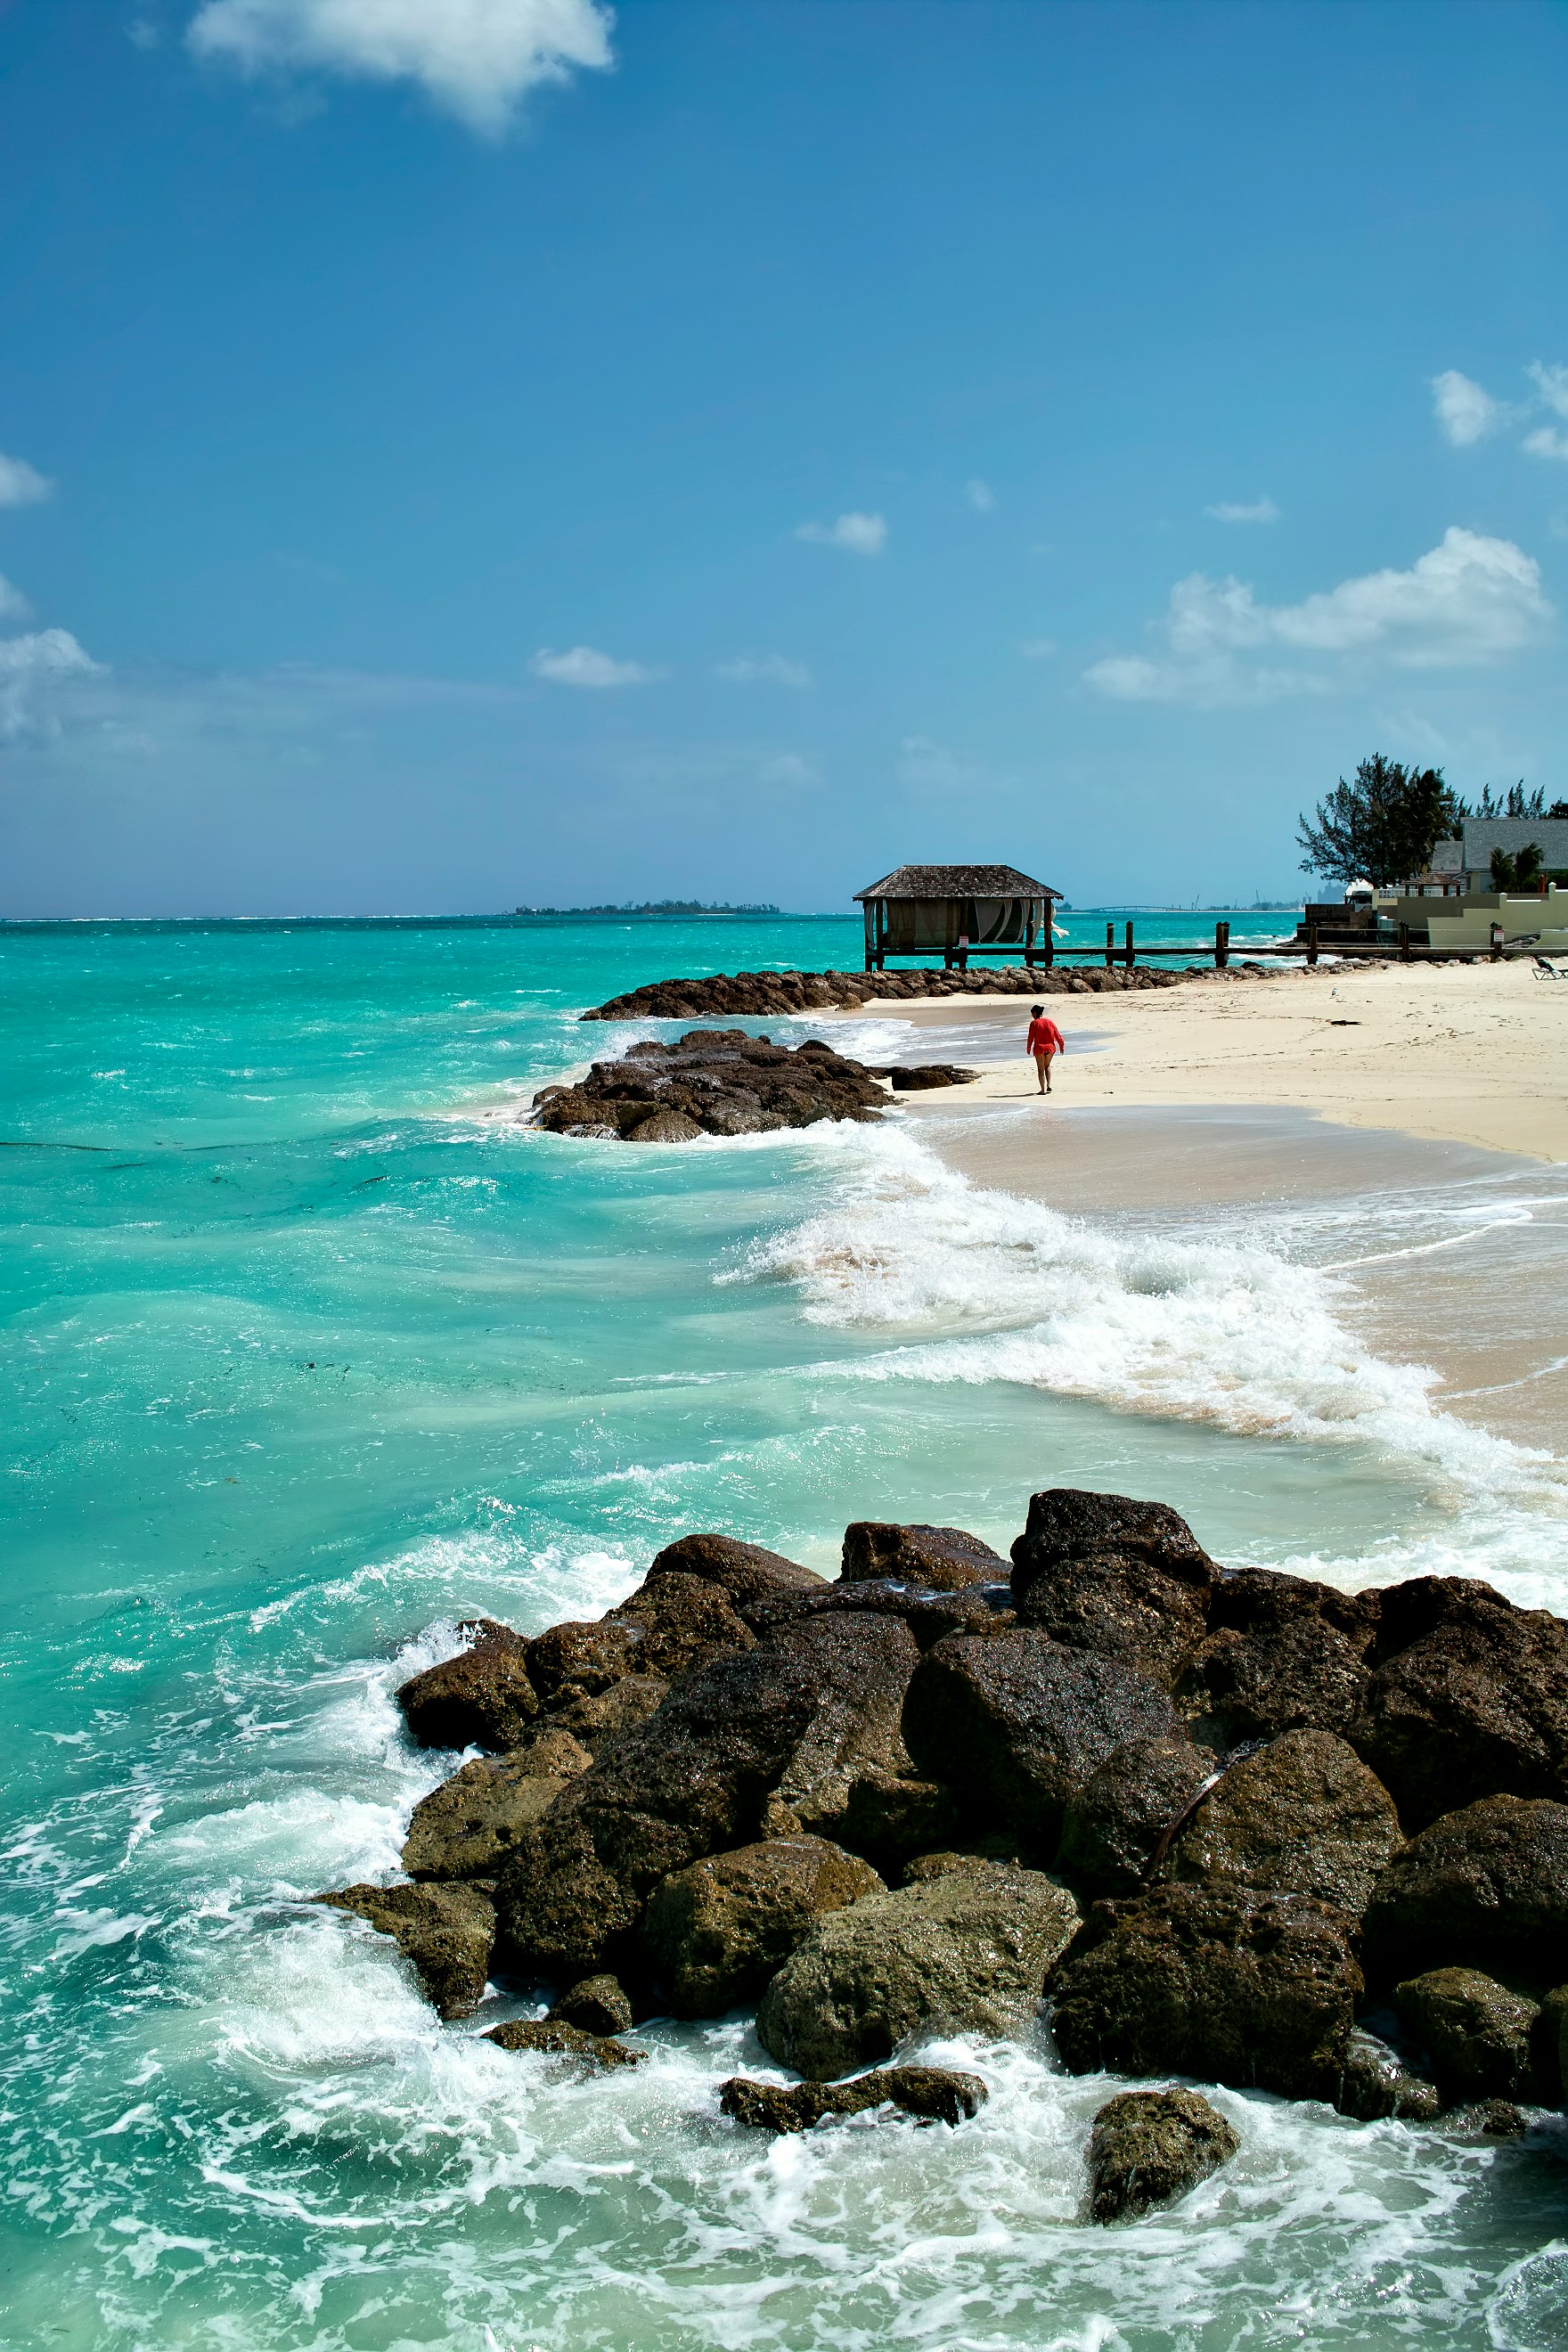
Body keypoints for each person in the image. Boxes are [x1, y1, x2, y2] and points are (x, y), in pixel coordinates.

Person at [1025, 1003, 1065, 1094]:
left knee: (1041, 1069)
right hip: (1050, 1048)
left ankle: (1043, 1090)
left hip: (1039, 1048)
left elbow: (1030, 1037)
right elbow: (1057, 1035)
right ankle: (1049, 1085)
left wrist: (1028, 1047)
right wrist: (1061, 1046)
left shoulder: (1034, 1023)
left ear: (1034, 1013)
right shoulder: (1050, 1022)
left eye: (1032, 1014)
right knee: (1047, 1066)